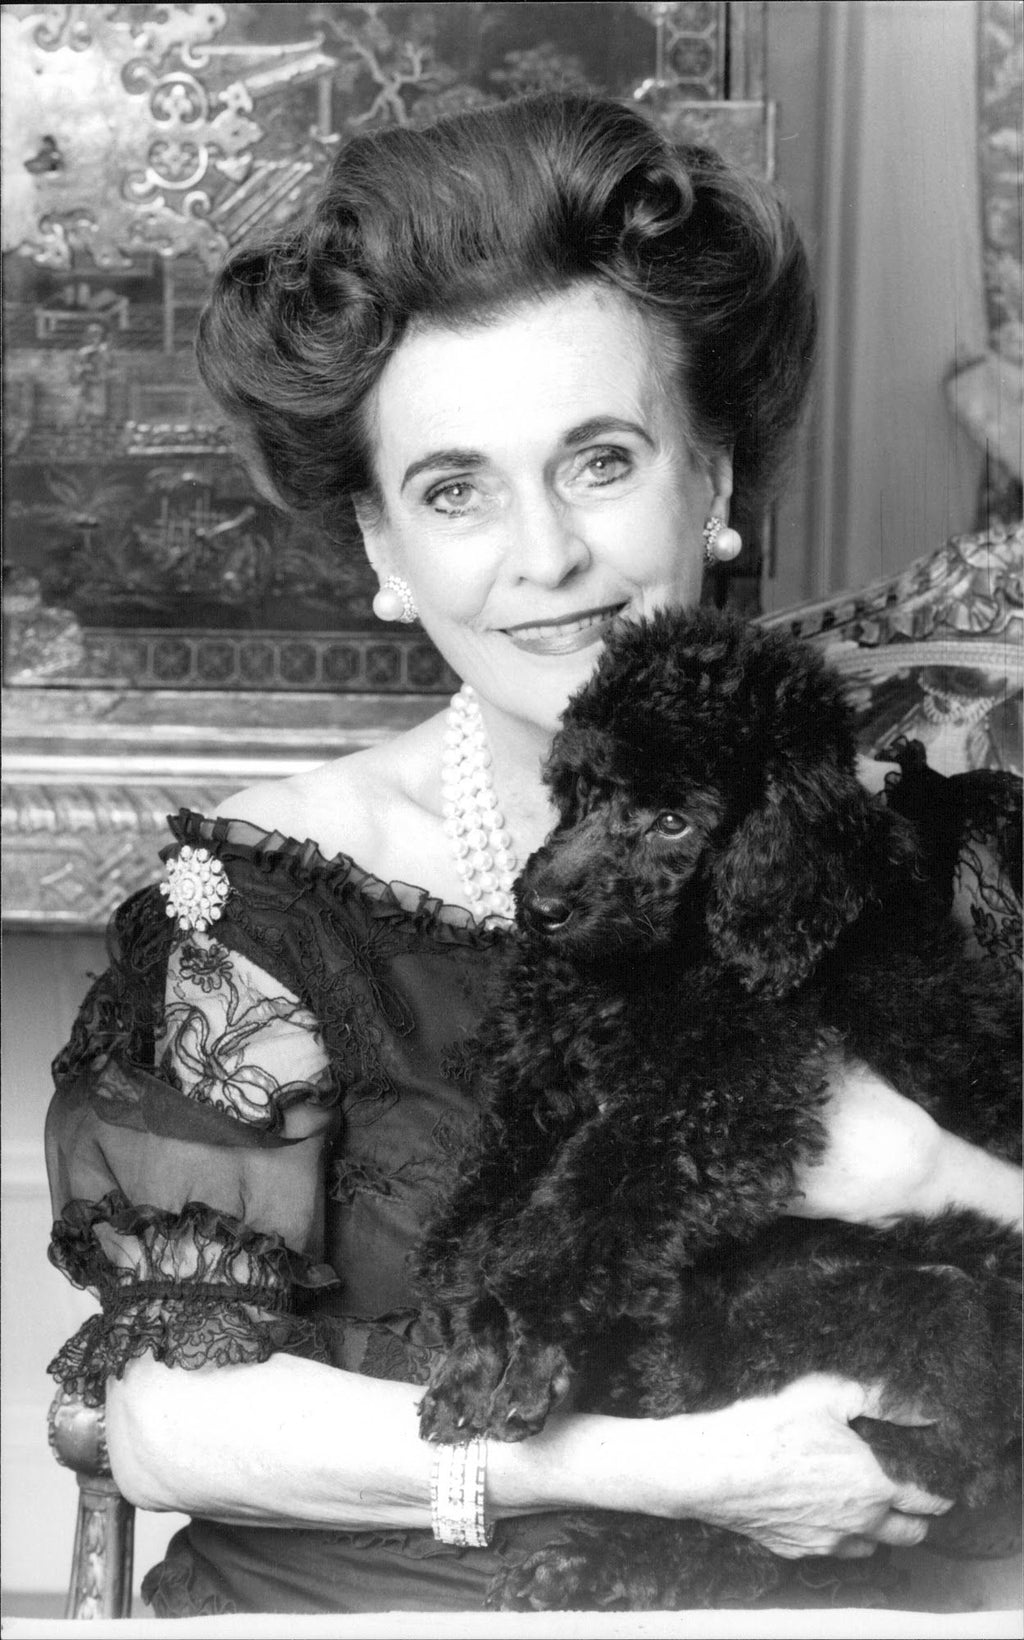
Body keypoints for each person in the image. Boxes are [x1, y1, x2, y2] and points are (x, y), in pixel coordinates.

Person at [45, 92, 1022, 1618]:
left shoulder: (943, 859)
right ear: (383, 546)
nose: (546, 556)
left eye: (601, 461)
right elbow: (169, 1423)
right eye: (455, 490)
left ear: (715, 478)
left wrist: (926, 1169)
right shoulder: (271, 895)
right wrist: (665, 1471)